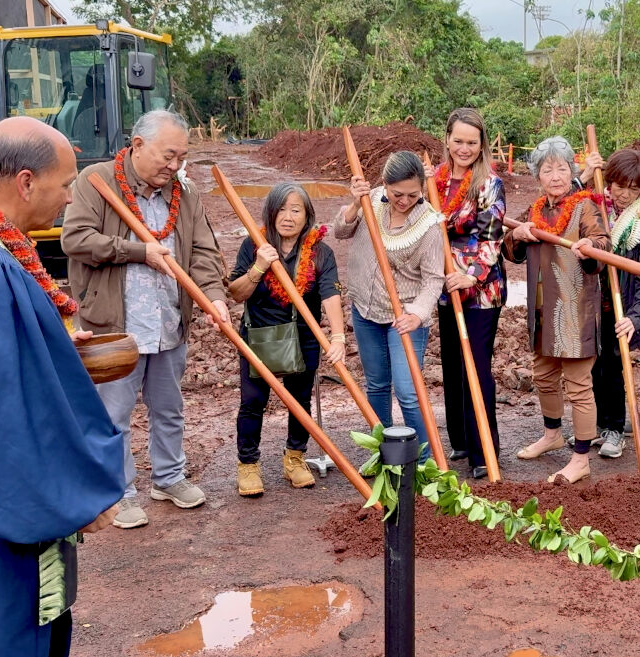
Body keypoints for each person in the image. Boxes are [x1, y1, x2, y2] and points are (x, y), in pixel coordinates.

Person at [0, 117, 123, 656]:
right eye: (65, 184)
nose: (69, 198)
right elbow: (1, 417)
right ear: (24, 182)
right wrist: (81, 491)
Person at [63, 109, 230, 528]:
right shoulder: (95, 181)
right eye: (167, 156)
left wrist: (213, 297)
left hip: (168, 322)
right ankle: (120, 492)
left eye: (181, 158)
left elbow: (205, 252)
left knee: (169, 407)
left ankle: (169, 477)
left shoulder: (184, 193)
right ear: (137, 146)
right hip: (115, 326)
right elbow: (76, 239)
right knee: (114, 414)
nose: (174, 167)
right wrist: (140, 251)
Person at [502, 136, 611, 484]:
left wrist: (590, 245)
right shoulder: (535, 211)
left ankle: (581, 458)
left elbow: (605, 245)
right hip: (540, 310)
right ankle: (552, 436)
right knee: (544, 377)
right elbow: (511, 250)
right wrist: (518, 235)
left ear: (571, 171)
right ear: (537, 175)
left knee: (579, 386)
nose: (555, 175)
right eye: (547, 169)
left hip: (575, 310)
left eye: (561, 168)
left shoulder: (586, 206)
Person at [228, 183, 346, 495]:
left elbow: (331, 294)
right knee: (253, 401)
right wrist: (259, 266)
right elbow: (236, 292)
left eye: (296, 210)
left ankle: (295, 458)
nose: (288, 217)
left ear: (307, 216)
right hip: (258, 336)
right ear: (271, 212)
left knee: (299, 401)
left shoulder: (320, 251)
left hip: (303, 337)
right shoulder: (253, 245)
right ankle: (248, 464)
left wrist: (338, 337)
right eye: (282, 209)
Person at [336, 151, 444, 460]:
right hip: (365, 310)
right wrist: (355, 203)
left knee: (409, 392)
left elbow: (434, 280)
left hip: (405, 316)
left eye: (413, 194)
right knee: (377, 385)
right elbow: (340, 232)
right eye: (397, 194)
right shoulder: (370, 200)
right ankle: (382, 454)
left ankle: (424, 461)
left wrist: (417, 314)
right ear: (385, 184)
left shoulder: (430, 224)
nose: (405, 200)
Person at [431, 108, 507, 479]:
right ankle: (461, 441)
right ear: (447, 139)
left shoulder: (488, 183)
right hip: (445, 288)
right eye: (458, 141)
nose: (464, 148)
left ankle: (484, 452)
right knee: (453, 366)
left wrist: (471, 275)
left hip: (481, 291)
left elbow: (492, 237)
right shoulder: (435, 181)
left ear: (482, 145)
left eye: (471, 142)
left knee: (476, 366)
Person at [586, 149, 640, 458]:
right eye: (620, 185)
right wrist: (583, 171)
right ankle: (597, 426)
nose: (625, 194)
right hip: (589, 304)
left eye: (634, 188)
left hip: (621, 307)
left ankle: (616, 430)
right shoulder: (593, 208)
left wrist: (635, 317)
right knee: (591, 367)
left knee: (614, 367)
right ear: (609, 180)